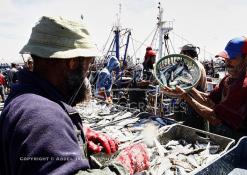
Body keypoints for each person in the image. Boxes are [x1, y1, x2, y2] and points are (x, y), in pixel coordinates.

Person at [0, 16, 149, 175]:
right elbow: (43, 129)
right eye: (88, 63)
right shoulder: (44, 119)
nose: (87, 72)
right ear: (72, 62)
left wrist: (71, 135)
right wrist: (123, 167)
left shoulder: (23, 97)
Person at [163, 36, 247, 140]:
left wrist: (185, 96)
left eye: (232, 58)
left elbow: (214, 117)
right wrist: (187, 88)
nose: (227, 62)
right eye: (226, 58)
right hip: (225, 135)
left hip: (241, 140)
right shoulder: (228, 79)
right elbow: (208, 100)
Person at [180, 44, 208, 130]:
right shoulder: (199, 64)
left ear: (187, 54)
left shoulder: (193, 66)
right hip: (199, 103)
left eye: (182, 54)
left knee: (194, 130)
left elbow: (190, 88)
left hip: (195, 105)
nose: (181, 56)